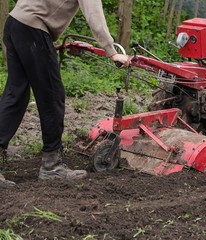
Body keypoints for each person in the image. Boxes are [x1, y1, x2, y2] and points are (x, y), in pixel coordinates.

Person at [0, 0, 130, 187]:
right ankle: (52, 167)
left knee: (15, 95)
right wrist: (112, 52)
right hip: (34, 29)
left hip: (15, 23)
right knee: (52, 97)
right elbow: (93, 13)